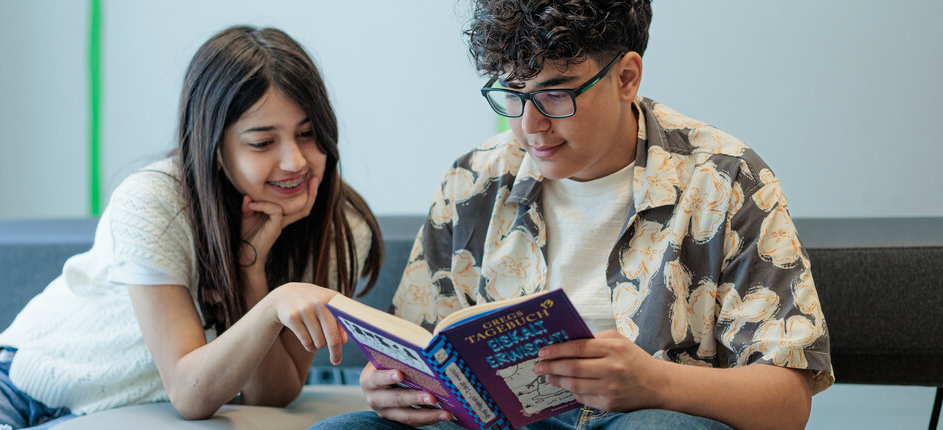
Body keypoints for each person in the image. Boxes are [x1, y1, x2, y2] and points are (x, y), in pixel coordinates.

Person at [312, 1, 833, 429]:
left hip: (643, 419)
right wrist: (392, 389)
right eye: (512, 94)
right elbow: (419, 346)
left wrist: (655, 383)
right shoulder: (474, 181)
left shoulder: (724, 178)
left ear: (626, 77)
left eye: (555, 93)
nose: (530, 125)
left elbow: (788, 401)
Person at [0, 26, 383, 429]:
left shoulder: (339, 228)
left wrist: (251, 273)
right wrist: (275, 304)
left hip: (133, 412)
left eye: (307, 133)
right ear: (214, 148)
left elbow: (272, 394)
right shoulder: (155, 201)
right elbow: (187, 388)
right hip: (22, 388)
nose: (295, 161)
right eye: (263, 142)